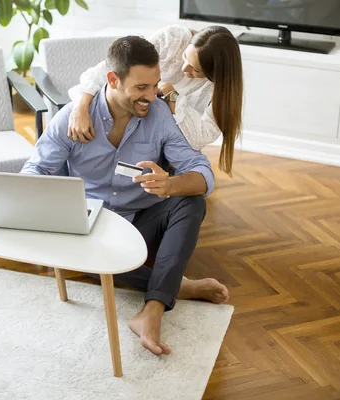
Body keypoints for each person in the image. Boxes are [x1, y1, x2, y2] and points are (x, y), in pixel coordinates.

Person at [21, 35, 229, 356]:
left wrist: (171, 185)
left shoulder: (159, 115)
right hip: (91, 225)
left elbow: (200, 171)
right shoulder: (74, 119)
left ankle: (153, 309)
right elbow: (36, 170)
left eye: (155, 85)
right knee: (85, 254)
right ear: (113, 80)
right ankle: (175, 284)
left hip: (142, 222)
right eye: (141, 88)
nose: (152, 95)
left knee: (191, 202)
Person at [67, 24, 244, 176]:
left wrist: (174, 99)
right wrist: (80, 107)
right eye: (185, 58)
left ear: (213, 75)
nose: (184, 69)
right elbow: (108, 70)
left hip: (166, 137)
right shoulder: (172, 39)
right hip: (129, 116)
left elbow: (200, 138)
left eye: (195, 70)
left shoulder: (219, 91)